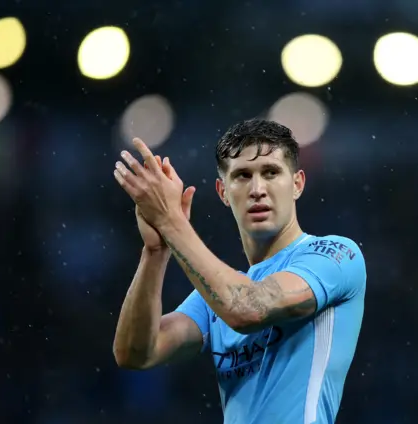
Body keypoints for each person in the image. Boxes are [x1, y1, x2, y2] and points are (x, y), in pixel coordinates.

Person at [112, 119, 367, 424]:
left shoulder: (336, 255)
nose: (257, 189)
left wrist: (171, 221)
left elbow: (247, 309)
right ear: (222, 191)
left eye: (271, 173)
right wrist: (156, 250)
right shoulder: (214, 296)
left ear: (297, 183)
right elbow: (135, 352)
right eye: (242, 176)